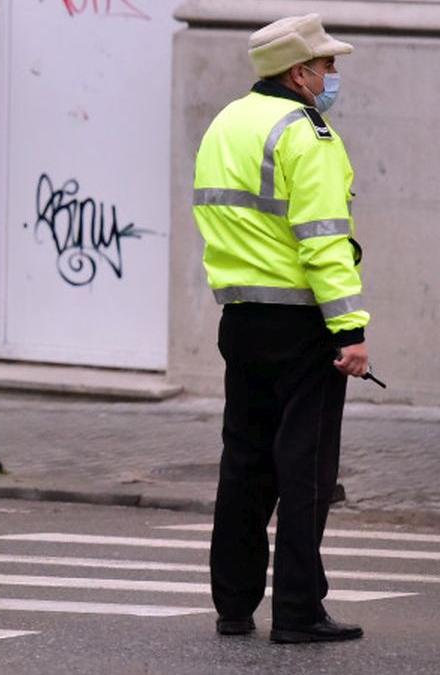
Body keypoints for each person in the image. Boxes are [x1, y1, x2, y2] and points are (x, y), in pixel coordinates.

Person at [192, 14, 369, 644]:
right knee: (305, 471)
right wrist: (348, 330)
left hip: (241, 319)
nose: (333, 75)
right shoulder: (305, 133)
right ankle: (297, 612)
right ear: (299, 73)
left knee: (244, 463)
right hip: (302, 325)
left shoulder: (226, 123)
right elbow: (323, 241)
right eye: (326, 65)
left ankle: (233, 605)